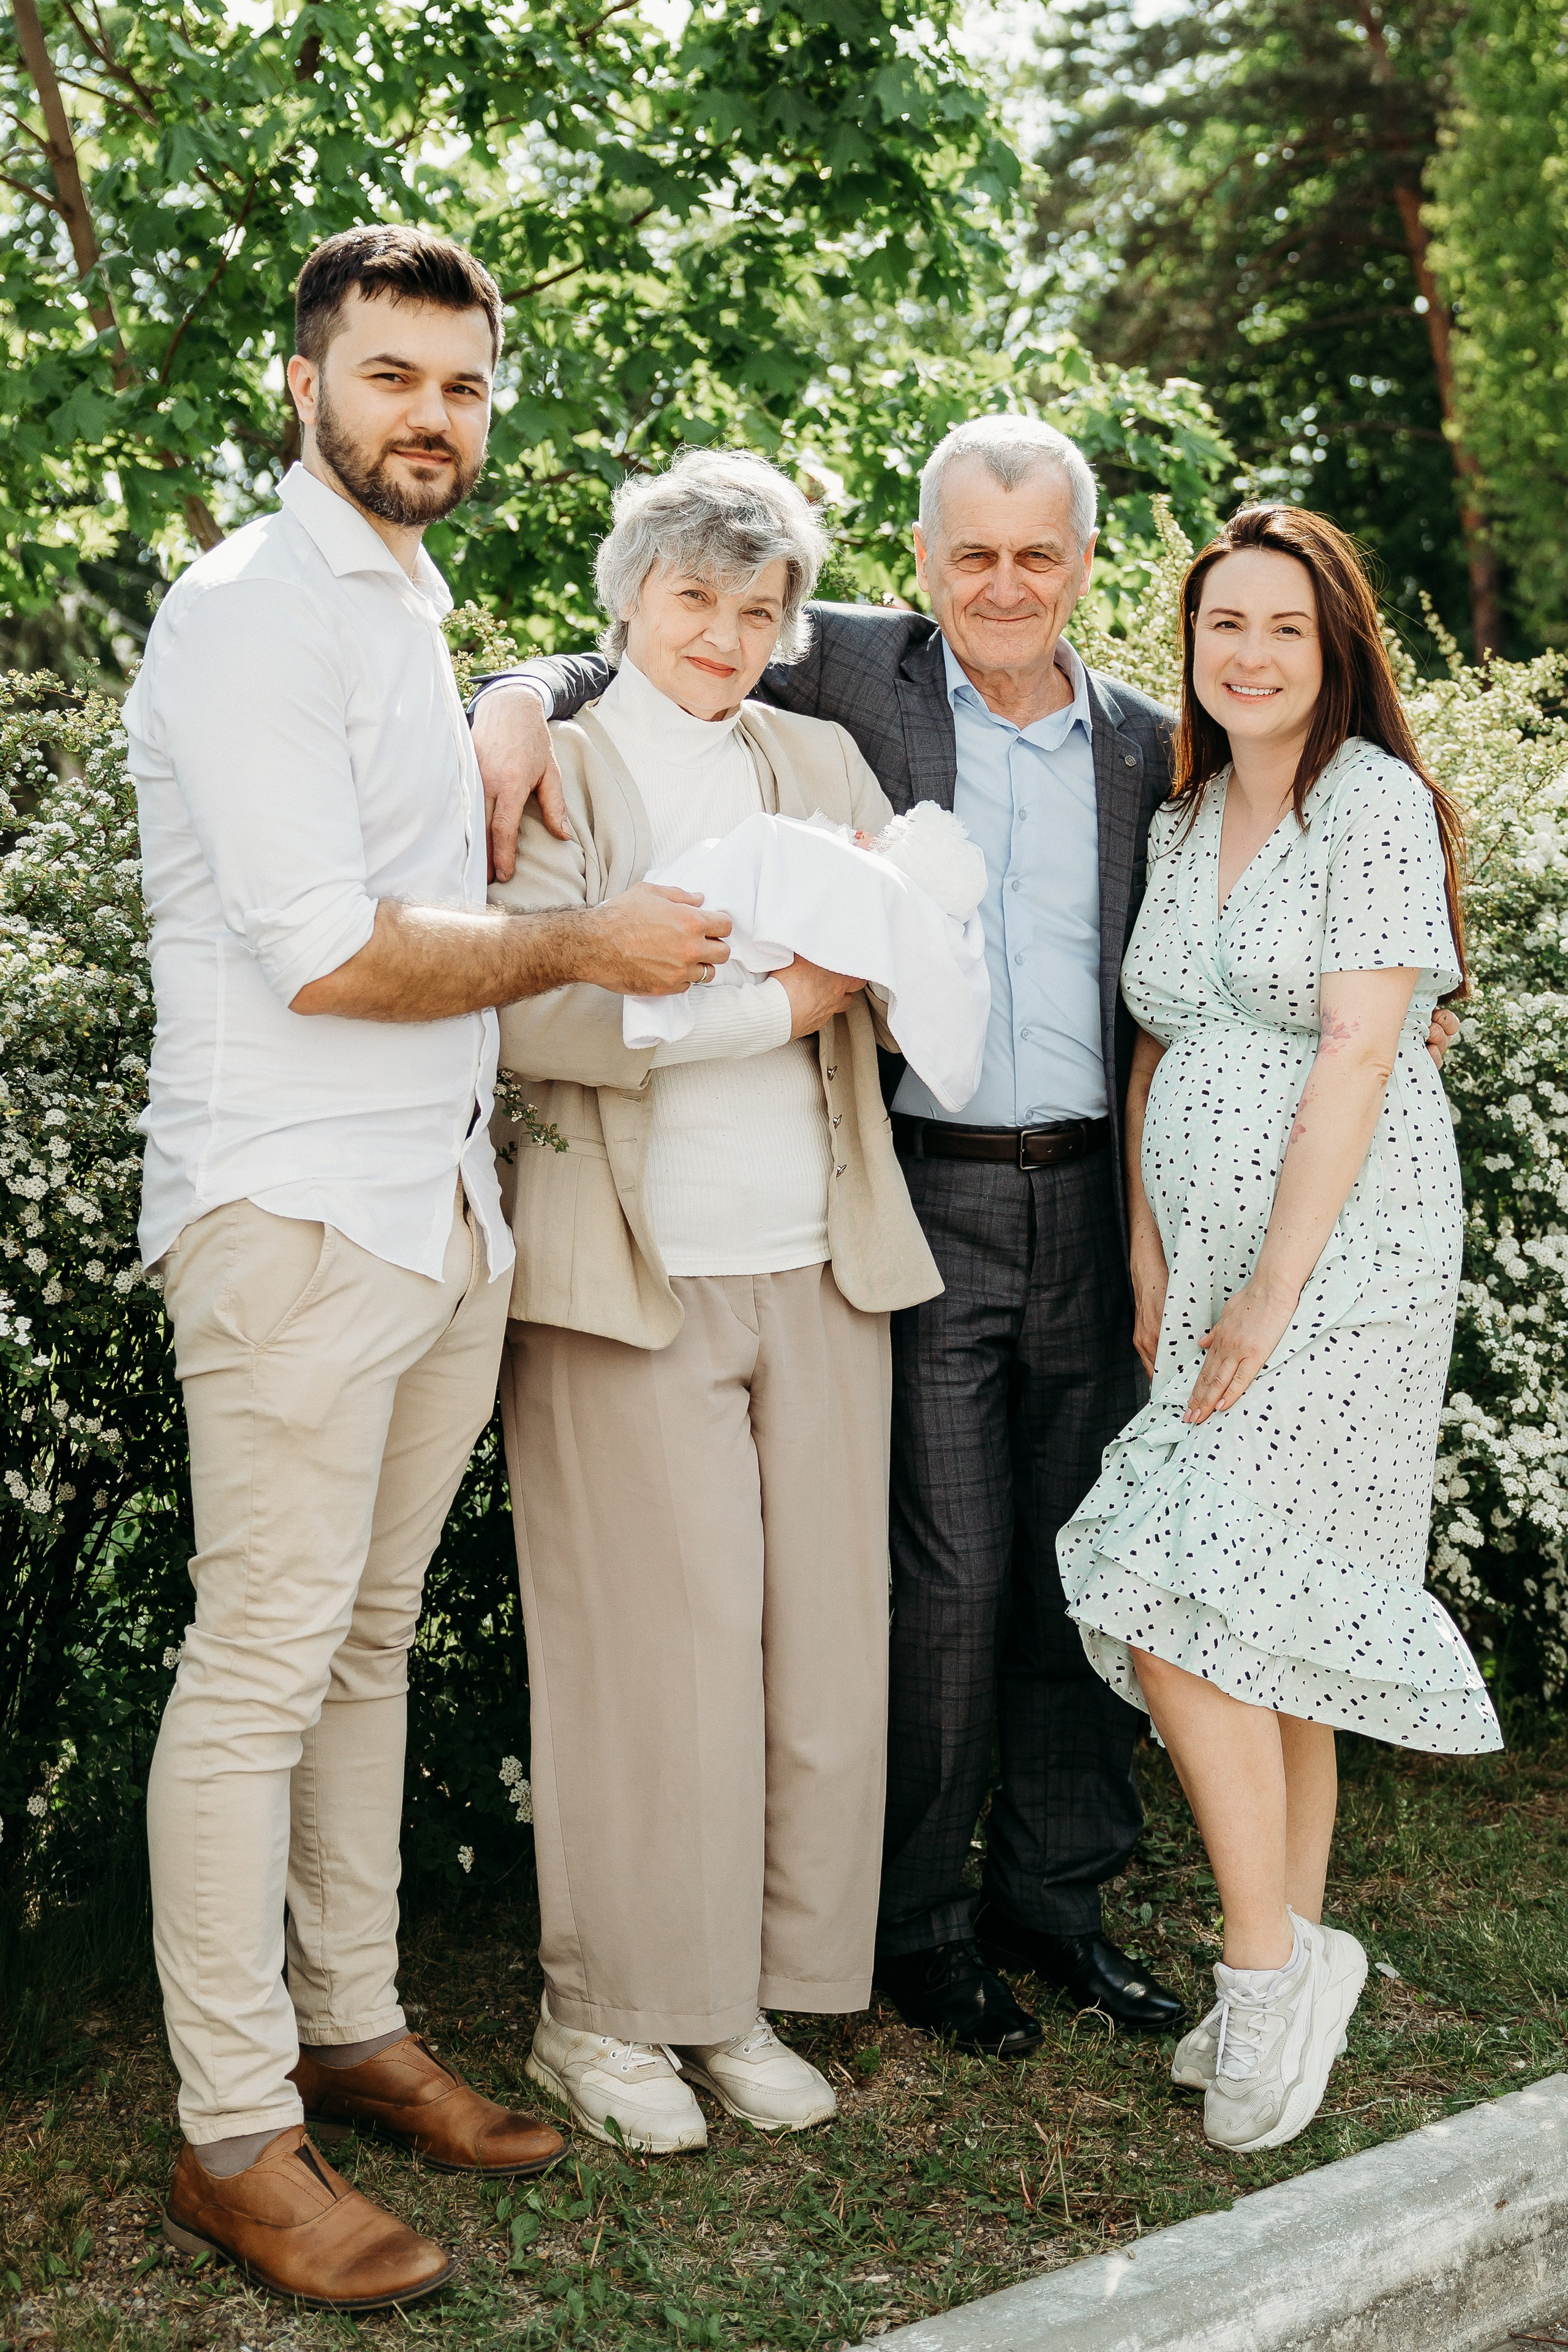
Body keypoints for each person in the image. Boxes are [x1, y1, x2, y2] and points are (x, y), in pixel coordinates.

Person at [472, 422, 1460, 2058]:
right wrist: (513, 693)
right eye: (973, 554)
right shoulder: (851, 674)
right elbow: (663, 627)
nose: (1006, 585)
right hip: (922, 1191)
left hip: (1108, 1202)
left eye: (1039, 555)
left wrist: (1388, 1022)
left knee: (1089, 1554)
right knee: (938, 1577)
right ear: (924, 563)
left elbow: (1271, 944)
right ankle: (920, 1923)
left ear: (1086, 568)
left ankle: (1056, 1902)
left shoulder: (1156, 744)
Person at [128, 225, 732, 2310]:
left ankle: (353, 2026)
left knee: (366, 1642)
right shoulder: (247, 612)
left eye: (463, 385)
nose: (432, 416)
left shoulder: (403, 597)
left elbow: (445, 806)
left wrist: (514, 700)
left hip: (439, 1207)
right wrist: (590, 941)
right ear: (304, 383)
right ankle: (233, 2133)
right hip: (292, 1209)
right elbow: (324, 952)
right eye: (390, 376)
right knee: (257, 1668)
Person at [487, 448, 944, 2151]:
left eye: (759, 610)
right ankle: (605, 2013)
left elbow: (910, 954)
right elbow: (526, 1006)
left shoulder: (817, 757)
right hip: (631, 1277)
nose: (726, 635)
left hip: (821, 1258)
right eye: (694, 598)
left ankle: (747, 1995)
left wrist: (864, 962)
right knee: (654, 1660)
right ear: (628, 601)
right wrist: (772, 1000)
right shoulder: (556, 770)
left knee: (816, 1652)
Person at [1057, 505, 1502, 2156]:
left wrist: (1270, 1287)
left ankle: (1260, 1973)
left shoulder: (1368, 806)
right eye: (1223, 625)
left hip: (1346, 1262)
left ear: (1336, 652)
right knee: (1264, 1603)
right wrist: (1151, 1241)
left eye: (1284, 629)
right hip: (1206, 1260)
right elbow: (1159, 1043)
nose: (1249, 655)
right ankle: (1301, 1954)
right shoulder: (1184, 818)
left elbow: (1362, 1052)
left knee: (1179, 1587)